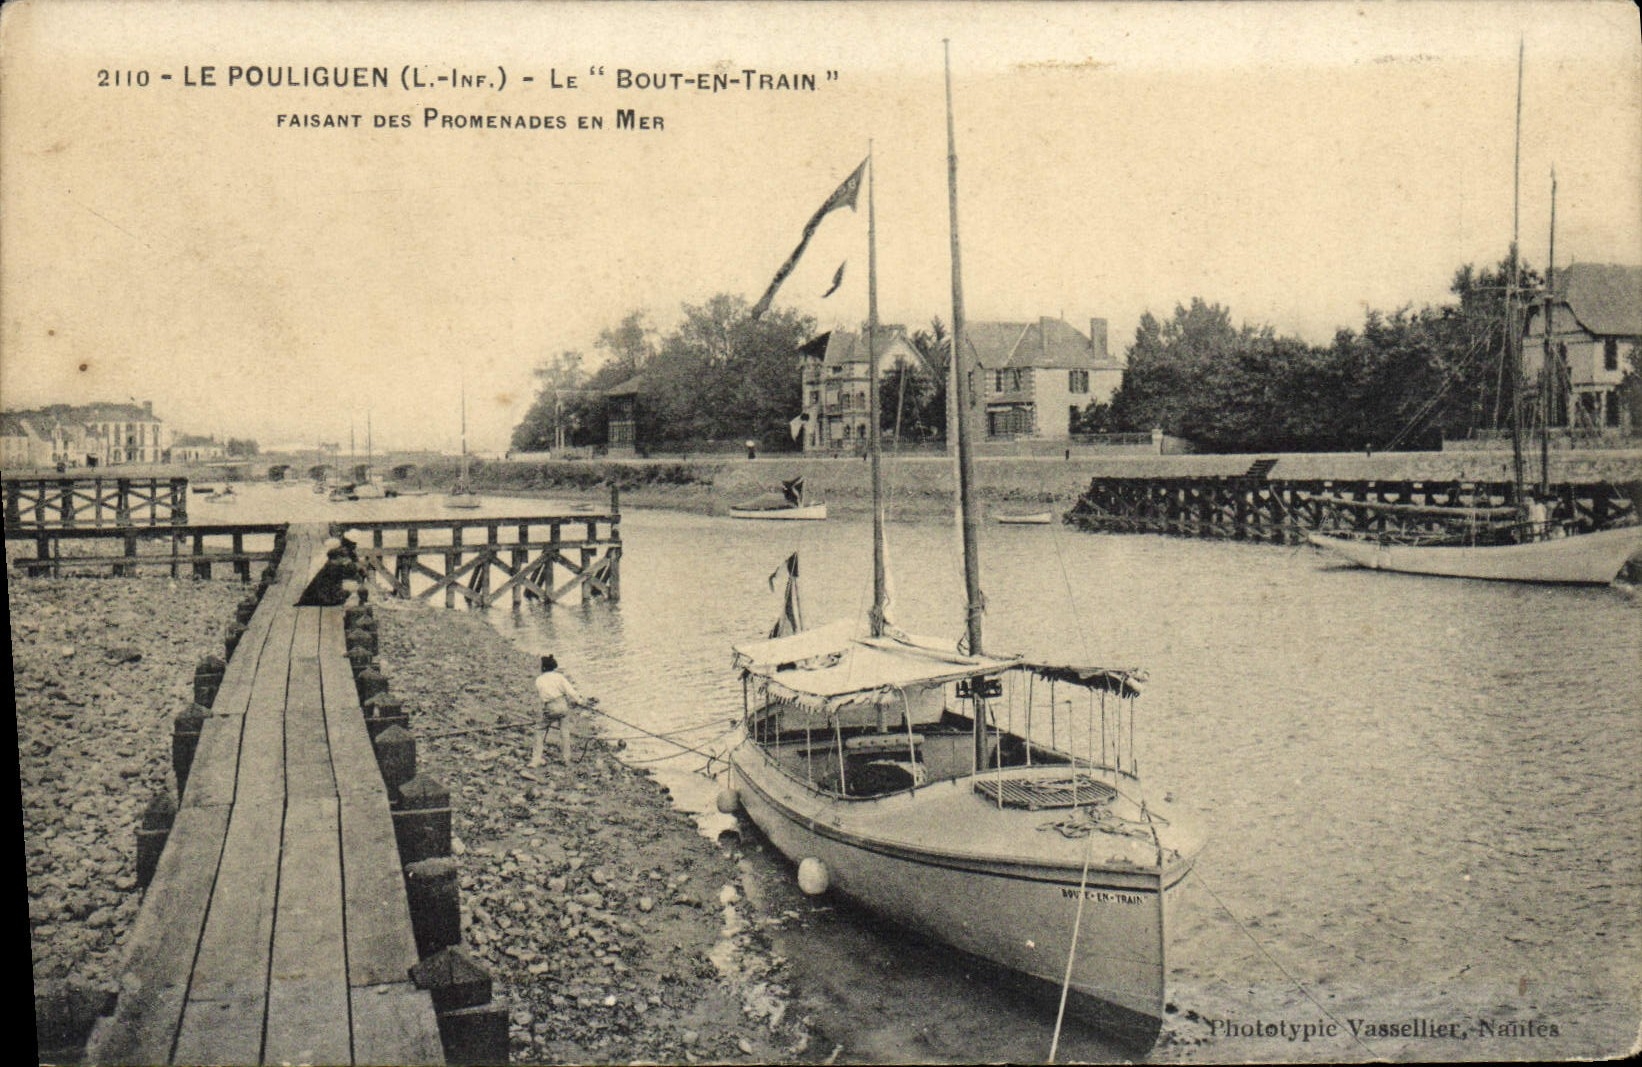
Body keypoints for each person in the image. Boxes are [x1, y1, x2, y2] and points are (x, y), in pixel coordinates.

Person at [531, 654, 596, 767]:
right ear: (553, 667)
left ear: (543, 667)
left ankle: (536, 760)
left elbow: (542, 696)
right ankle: (566, 760)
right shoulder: (559, 677)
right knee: (564, 732)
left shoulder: (539, 680)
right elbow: (571, 692)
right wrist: (581, 702)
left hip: (550, 706)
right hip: (562, 705)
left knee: (539, 730)